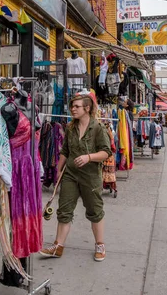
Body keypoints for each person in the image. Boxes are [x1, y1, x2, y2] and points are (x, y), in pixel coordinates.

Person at [39, 93, 112, 262]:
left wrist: (89, 157)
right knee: (64, 210)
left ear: (87, 108)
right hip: (70, 174)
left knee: (95, 211)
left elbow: (106, 152)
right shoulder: (71, 127)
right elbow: (65, 151)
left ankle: (100, 245)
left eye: (77, 106)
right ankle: (58, 246)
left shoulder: (98, 128)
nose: (73, 109)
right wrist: (59, 170)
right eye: (72, 106)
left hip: (91, 176)